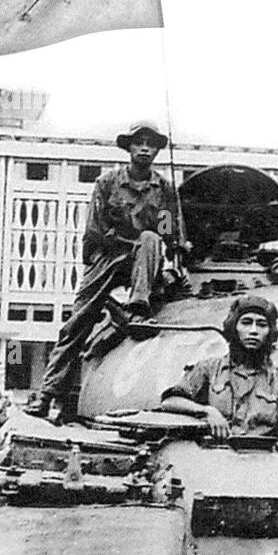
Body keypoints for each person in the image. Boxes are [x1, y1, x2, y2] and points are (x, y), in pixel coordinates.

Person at [34, 122, 182, 422]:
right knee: (77, 325)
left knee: (150, 238)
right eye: (138, 142)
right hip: (108, 254)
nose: (144, 148)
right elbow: (94, 229)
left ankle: (138, 308)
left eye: (150, 144)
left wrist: (174, 252)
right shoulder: (107, 182)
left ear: (156, 150)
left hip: (143, 258)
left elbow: (166, 227)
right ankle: (47, 394)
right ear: (128, 148)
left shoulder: (164, 188)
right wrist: (92, 268)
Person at [159, 295, 278, 441]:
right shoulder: (209, 368)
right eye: (246, 322)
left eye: (262, 325)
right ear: (234, 328)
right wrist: (206, 411)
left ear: (270, 333)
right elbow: (170, 401)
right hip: (216, 452)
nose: (254, 331)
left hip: (261, 456)